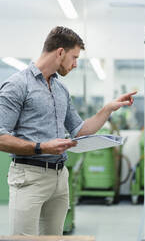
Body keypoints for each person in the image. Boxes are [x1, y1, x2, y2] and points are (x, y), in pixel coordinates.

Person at [0, 26, 136, 235]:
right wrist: (42, 147)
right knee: (23, 239)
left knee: (54, 238)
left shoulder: (60, 89)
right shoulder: (18, 85)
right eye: (74, 57)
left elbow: (80, 130)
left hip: (59, 177)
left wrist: (108, 108)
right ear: (60, 52)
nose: (75, 64)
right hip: (29, 176)